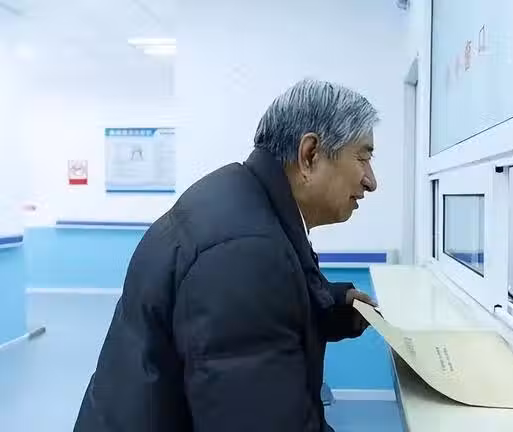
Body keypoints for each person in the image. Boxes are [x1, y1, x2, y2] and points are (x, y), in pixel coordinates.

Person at [74, 79, 380, 432]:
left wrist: (333, 306)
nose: (371, 181)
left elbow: (259, 320)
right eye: (363, 158)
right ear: (309, 155)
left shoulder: (245, 201)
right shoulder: (246, 253)